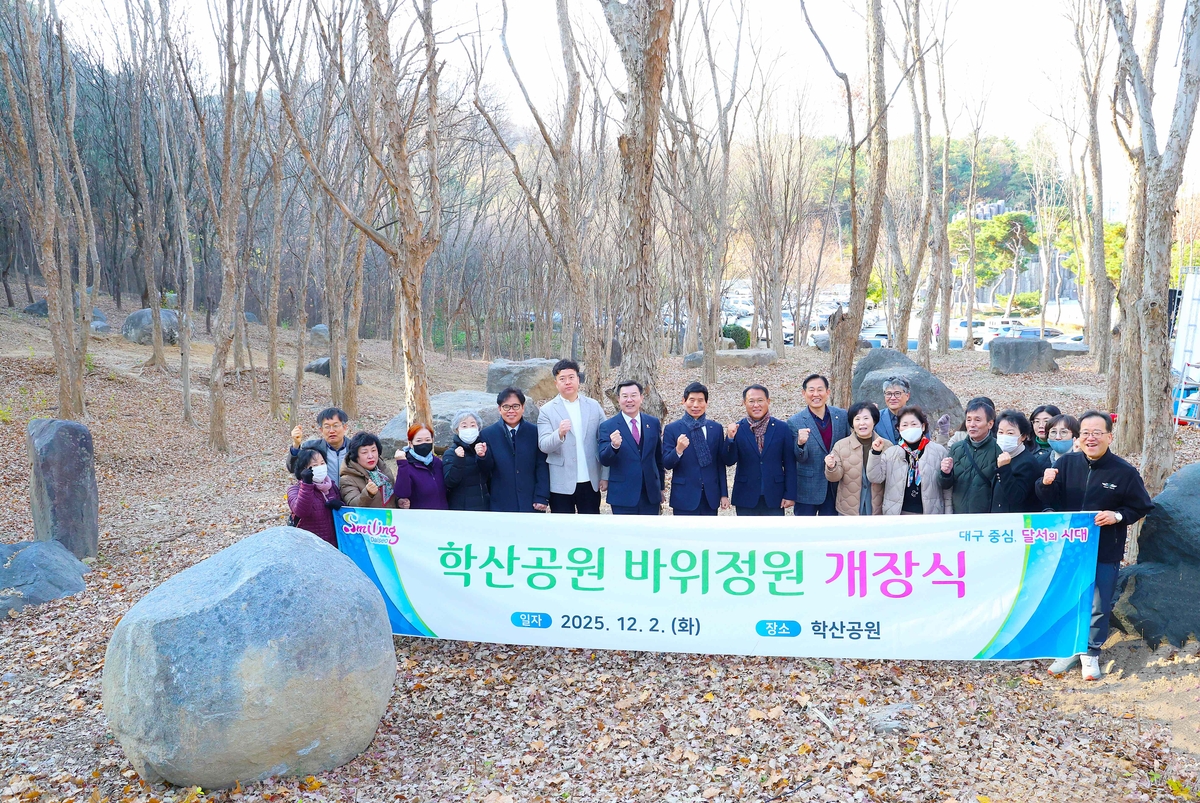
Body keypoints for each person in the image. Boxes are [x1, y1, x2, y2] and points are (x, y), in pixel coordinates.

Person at [1037, 410, 1154, 681]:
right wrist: (1044, 484)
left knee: (1098, 602)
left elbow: (1141, 505)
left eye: (1097, 433)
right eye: (1085, 433)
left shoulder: (1124, 472)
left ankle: (1091, 654)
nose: (1091, 438)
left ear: (1109, 437)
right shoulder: (1067, 464)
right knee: (1068, 597)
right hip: (1069, 548)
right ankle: (1069, 649)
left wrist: (1117, 516)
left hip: (1105, 549)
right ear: (1079, 438)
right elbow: (1049, 500)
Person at [537, 359, 604, 514]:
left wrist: (605, 475)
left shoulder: (593, 406)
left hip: (590, 480)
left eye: (571, 377)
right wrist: (559, 434)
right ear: (555, 383)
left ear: (578, 379)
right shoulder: (547, 410)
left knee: (591, 526)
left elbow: (604, 441)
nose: (567, 382)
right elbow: (544, 445)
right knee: (563, 529)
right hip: (561, 483)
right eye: (562, 379)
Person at [724, 385, 796, 516]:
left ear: (768, 401)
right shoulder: (737, 428)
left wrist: (790, 494)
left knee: (773, 535)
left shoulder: (782, 428)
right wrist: (730, 438)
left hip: (774, 495)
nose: (756, 405)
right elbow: (729, 461)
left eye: (760, 400)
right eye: (751, 401)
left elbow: (790, 463)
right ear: (744, 403)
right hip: (745, 495)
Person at [866, 406, 953, 515]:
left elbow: (947, 489)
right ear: (898, 428)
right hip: (898, 515)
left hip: (930, 515)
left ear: (922, 426)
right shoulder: (891, 453)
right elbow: (875, 477)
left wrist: (948, 515)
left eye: (914, 424)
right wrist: (875, 453)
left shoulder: (938, 452)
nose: (909, 428)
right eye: (905, 425)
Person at [597, 380, 665, 515]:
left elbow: (658, 458)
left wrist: (661, 487)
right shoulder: (608, 426)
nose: (629, 400)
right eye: (625, 396)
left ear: (641, 398)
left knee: (648, 534)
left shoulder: (652, 423)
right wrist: (613, 446)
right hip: (622, 495)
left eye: (633, 395)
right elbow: (604, 459)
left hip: (650, 493)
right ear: (618, 399)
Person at [479, 387, 551, 513]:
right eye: (506, 407)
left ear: (523, 408)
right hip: (500, 502)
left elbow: (542, 466)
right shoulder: (488, 434)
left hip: (530, 501)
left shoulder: (535, 432)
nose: (511, 411)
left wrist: (541, 496)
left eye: (515, 406)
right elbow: (485, 470)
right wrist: (482, 456)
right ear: (499, 409)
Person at [663, 382, 729, 516]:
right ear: (684, 401)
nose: (696, 405)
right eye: (691, 400)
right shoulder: (673, 429)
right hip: (684, 496)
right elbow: (667, 463)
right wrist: (678, 450)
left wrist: (724, 494)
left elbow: (719, 464)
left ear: (706, 402)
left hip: (710, 496)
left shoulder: (715, 428)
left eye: (700, 401)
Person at [788, 374, 848, 516]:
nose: (816, 394)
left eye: (820, 390)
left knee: (830, 533)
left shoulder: (841, 416)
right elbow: (798, 458)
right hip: (807, 488)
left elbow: (847, 445)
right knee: (804, 532)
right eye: (811, 390)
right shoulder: (794, 422)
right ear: (804, 393)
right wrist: (800, 444)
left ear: (827, 392)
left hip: (835, 486)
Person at [824, 401, 888, 516]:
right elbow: (834, 478)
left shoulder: (887, 446)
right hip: (848, 509)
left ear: (874, 420)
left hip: (877, 509)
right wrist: (831, 467)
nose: (862, 423)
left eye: (866, 418)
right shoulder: (841, 445)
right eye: (857, 419)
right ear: (852, 423)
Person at [938, 399, 1000, 514]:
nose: (972, 424)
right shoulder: (957, 448)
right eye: (969, 420)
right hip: (960, 515)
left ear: (990, 424)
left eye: (977, 420)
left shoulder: (999, 450)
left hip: (988, 517)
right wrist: (944, 473)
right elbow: (945, 485)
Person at [286, 448, 342, 545]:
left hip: (335, 546)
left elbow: (344, 514)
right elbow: (301, 511)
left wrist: (340, 505)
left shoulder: (331, 486)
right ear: (304, 469)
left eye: (322, 463)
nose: (320, 467)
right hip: (311, 546)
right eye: (315, 465)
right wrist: (307, 485)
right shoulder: (294, 490)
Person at [991, 410, 1043, 513]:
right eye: (1001, 432)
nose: (1004, 436)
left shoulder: (1027, 463)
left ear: (1023, 436)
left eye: (1010, 433)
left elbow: (1016, 497)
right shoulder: (1001, 456)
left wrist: (1004, 469)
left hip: (1016, 523)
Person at [287, 407, 349, 488]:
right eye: (327, 426)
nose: (331, 431)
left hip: (350, 498)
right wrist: (296, 445)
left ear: (344, 427)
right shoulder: (312, 447)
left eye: (335, 425)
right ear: (321, 429)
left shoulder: (355, 448)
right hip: (322, 497)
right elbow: (292, 469)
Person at [442, 411, 491, 511]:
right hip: (461, 508)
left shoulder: (483, 449)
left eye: (473, 425)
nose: (469, 429)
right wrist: (459, 459)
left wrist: (482, 457)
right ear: (457, 430)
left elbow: (490, 474)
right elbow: (450, 482)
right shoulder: (451, 453)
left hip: (484, 505)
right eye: (464, 426)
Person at [394, 423, 448, 510]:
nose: (424, 444)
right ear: (411, 443)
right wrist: (401, 464)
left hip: (442, 517)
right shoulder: (406, 465)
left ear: (432, 440)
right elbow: (402, 493)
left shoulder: (437, 463)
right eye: (419, 441)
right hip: (419, 519)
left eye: (427, 440)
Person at [340, 431, 396, 508]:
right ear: (356, 456)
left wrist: (400, 501)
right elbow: (352, 504)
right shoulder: (347, 479)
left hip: (390, 518)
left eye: (373, 450)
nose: (370, 456)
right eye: (364, 452)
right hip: (370, 519)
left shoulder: (384, 469)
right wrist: (368, 494)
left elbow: (393, 495)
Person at [875, 377, 911, 444]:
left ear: (907, 396)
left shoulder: (916, 417)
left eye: (897, 393)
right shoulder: (877, 417)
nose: (893, 398)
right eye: (888, 394)